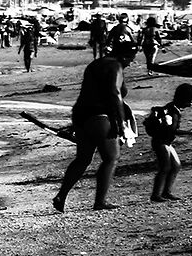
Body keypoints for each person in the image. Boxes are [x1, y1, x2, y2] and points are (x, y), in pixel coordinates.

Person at [53, 43, 135, 213]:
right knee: (111, 158)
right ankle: (100, 201)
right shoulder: (116, 66)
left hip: (80, 115)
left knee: (83, 158)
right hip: (100, 116)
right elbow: (115, 93)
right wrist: (121, 123)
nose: (130, 64)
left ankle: (61, 195)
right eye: (131, 60)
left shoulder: (96, 64)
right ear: (125, 56)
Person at [145, 83, 192, 202]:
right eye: (190, 101)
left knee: (175, 165)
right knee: (165, 167)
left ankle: (166, 192)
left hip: (166, 142)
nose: (191, 104)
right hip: (161, 142)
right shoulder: (173, 111)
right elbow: (172, 130)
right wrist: (188, 133)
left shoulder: (171, 108)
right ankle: (156, 194)